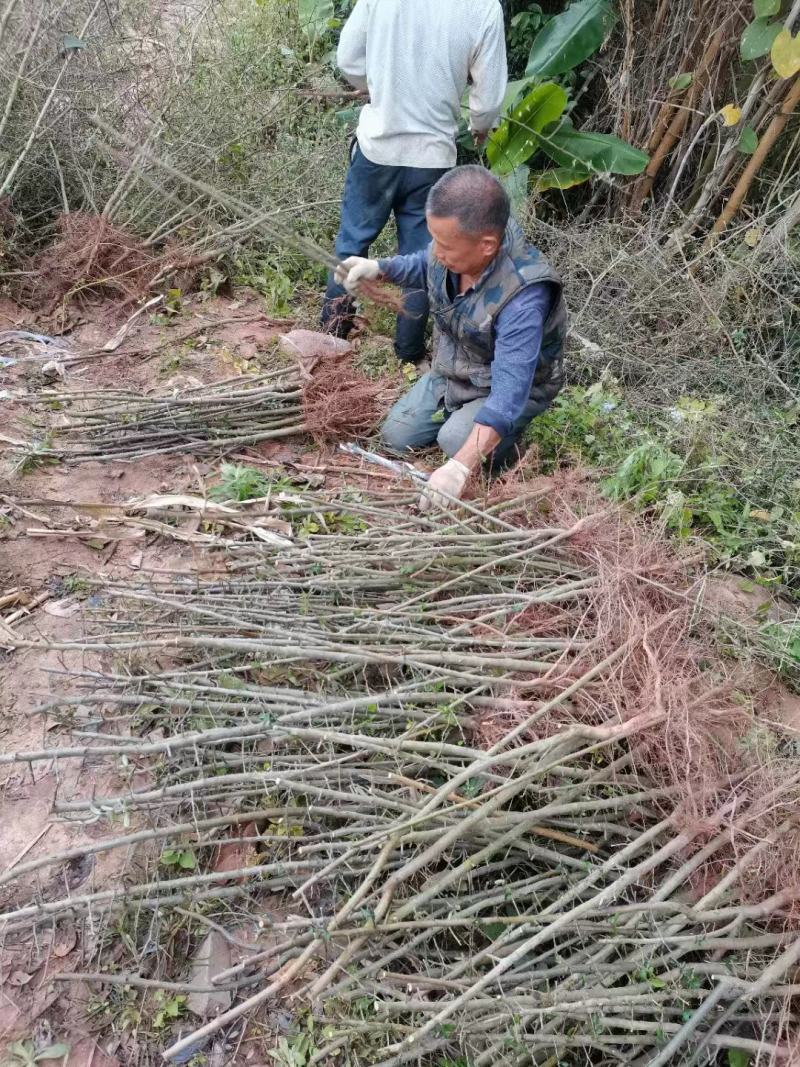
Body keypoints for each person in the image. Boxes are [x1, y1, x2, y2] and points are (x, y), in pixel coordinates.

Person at [334, 166, 567, 511]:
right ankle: (464, 421)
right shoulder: (457, 247)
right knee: (396, 436)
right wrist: (379, 268)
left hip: (504, 387)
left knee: (453, 442)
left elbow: (508, 391)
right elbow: (424, 263)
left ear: (487, 245)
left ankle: (507, 442)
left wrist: (459, 466)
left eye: (444, 245)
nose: (436, 251)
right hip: (453, 372)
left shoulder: (523, 297)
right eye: (434, 239)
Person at [322, 0, 507, 371]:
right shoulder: (483, 7)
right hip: (432, 158)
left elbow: (349, 59)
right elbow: (487, 102)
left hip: (377, 149)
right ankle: (407, 352)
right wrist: (480, 126)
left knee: (352, 242)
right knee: (428, 254)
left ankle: (330, 338)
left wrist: (376, 88)